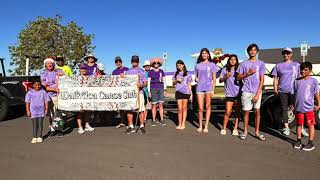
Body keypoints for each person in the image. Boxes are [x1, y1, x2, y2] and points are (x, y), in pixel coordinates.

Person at [271, 48, 309, 136]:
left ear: (291, 54)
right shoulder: (278, 65)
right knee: (284, 109)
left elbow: (301, 77)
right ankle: (286, 128)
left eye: (288, 53)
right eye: (284, 53)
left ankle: (302, 128)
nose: (286, 55)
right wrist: (275, 90)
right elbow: (275, 79)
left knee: (298, 109)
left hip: (295, 91)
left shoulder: (297, 65)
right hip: (282, 91)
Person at [236, 44, 266, 141]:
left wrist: (257, 94)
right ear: (248, 51)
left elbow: (262, 80)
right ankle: (245, 131)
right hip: (246, 91)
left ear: (257, 51)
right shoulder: (243, 64)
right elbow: (237, 77)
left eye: (254, 50)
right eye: (251, 50)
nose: (252, 52)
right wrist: (247, 74)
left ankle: (257, 132)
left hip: (257, 91)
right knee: (246, 112)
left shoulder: (261, 63)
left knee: (257, 111)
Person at [293, 62, 320, 151]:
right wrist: (293, 105)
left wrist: (319, 104)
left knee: (310, 125)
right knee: (299, 124)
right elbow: (295, 94)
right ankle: (298, 141)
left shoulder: (314, 81)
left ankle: (310, 143)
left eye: (305, 70)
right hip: (299, 108)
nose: (303, 71)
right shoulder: (296, 81)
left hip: (309, 108)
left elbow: (316, 93)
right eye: (301, 69)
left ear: (310, 71)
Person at [194, 48, 218, 133]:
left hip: (208, 88)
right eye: (203, 53)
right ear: (201, 55)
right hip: (200, 88)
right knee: (200, 108)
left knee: (208, 107)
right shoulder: (197, 65)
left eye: (205, 53)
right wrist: (196, 79)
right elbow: (195, 76)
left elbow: (214, 78)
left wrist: (213, 89)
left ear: (208, 54)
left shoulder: (212, 64)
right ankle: (200, 125)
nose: (204, 54)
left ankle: (206, 125)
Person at [123, 55, 147, 134]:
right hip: (131, 94)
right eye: (133, 61)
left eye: (136, 61)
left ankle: (142, 125)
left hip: (139, 93)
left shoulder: (142, 71)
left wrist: (141, 85)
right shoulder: (128, 71)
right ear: (131, 62)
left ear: (138, 62)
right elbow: (124, 81)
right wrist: (121, 76)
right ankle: (131, 126)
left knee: (141, 110)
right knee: (129, 110)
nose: (134, 62)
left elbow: (145, 83)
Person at [40, 58, 64, 137]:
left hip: (57, 96)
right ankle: (53, 129)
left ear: (53, 64)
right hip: (48, 96)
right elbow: (44, 86)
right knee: (51, 114)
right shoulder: (43, 74)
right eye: (47, 64)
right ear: (45, 65)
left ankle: (60, 129)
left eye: (51, 63)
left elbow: (64, 78)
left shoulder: (57, 71)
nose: (49, 65)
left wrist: (61, 74)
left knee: (59, 113)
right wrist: (53, 89)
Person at [219, 54, 241, 136]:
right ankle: (224, 128)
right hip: (229, 94)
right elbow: (220, 80)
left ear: (236, 61)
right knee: (228, 111)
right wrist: (226, 77)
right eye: (231, 59)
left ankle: (235, 128)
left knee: (237, 112)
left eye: (234, 59)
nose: (232, 61)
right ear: (229, 60)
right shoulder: (225, 70)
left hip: (239, 93)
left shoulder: (239, 69)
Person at [172, 60, 193, 130]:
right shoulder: (175, 73)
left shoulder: (188, 74)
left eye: (180, 65)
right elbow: (173, 84)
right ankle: (179, 123)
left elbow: (189, 84)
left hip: (186, 92)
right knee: (179, 109)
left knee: (184, 109)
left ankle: (183, 124)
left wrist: (191, 94)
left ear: (183, 65)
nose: (179, 67)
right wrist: (176, 80)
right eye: (178, 66)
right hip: (178, 92)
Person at [76, 64, 95, 134]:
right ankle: (80, 127)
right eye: (82, 69)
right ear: (79, 70)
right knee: (79, 112)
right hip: (79, 97)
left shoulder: (89, 77)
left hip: (87, 97)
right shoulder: (76, 78)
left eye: (84, 69)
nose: (83, 70)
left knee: (87, 111)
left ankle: (87, 125)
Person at [148, 57, 167, 127]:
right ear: (153, 64)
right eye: (155, 63)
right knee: (154, 105)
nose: (156, 64)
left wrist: (165, 89)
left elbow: (164, 81)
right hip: (153, 89)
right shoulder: (150, 72)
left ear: (159, 64)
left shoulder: (161, 71)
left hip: (161, 88)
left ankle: (161, 119)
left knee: (161, 104)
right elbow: (149, 82)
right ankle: (153, 120)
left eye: (157, 63)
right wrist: (149, 91)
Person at [112, 56, 129, 128]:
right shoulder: (114, 72)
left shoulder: (127, 69)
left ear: (121, 62)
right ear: (115, 63)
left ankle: (129, 123)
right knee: (121, 108)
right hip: (119, 91)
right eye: (116, 62)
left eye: (119, 61)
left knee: (127, 107)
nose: (118, 63)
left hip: (126, 90)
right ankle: (122, 122)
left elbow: (130, 79)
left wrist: (125, 76)